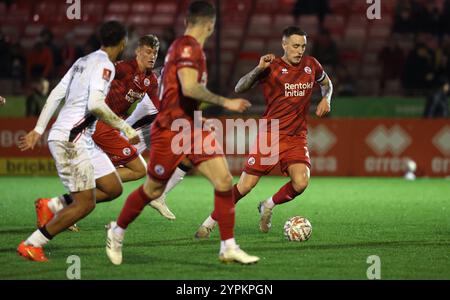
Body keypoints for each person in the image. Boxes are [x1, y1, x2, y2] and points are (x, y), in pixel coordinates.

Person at [105, 1, 259, 266]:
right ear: (210, 24)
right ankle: (117, 232)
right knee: (151, 189)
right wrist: (226, 102)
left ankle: (228, 246)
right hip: (171, 130)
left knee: (223, 180)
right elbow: (189, 88)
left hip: (192, 127)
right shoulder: (188, 47)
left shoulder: (189, 47)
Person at [35, 35, 189, 225]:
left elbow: (160, 107)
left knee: (118, 177)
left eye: (155, 53)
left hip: (109, 128)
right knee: (137, 170)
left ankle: (59, 204)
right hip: (100, 125)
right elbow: (99, 75)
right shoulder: (123, 68)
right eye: (148, 52)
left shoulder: (150, 81)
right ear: (138, 51)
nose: (152, 56)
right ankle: (64, 205)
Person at [195, 26, 333, 238]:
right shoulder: (271, 66)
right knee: (245, 186)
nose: (299, 51)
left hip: (296, 136)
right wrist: (258, 69)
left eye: (303, 46)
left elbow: (326, 84)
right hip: (270, 135)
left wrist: (326, 98)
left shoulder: (311, 65)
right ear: (284, 45)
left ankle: (268, 205)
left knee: (301, 182)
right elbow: (239, 88)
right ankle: (210, 221)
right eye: (295, 46)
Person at [16, 21, 137, 262]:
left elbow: (56, 93)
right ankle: (32, 243)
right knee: (85, 204)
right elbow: (94, 104)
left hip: (81, 138)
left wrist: (39, 129)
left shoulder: (83, 60)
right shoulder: (106, 66)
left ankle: (51, 205)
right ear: (122, 42)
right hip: (71, 140)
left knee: (113, 187)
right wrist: (123, 126)